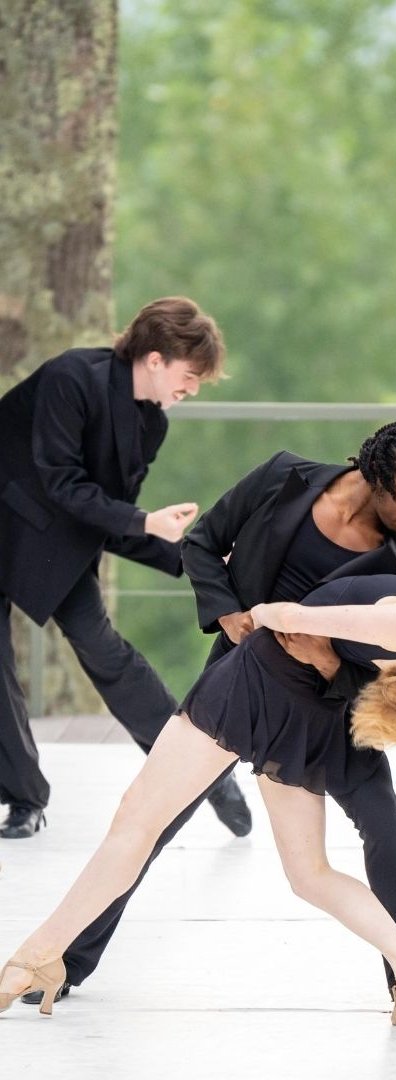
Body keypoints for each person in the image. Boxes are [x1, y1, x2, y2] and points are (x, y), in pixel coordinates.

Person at [21, 416, 396, 1008]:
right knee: (153, 820)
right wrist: (228, 613)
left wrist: (332, 664)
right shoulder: (283, 478)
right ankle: (66, 960)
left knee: (386, 830)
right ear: (377, 474)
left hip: (329, 712)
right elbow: (202, 543)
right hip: (240, 680)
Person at [0, 572, 396, 1023]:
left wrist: (256, 607)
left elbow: (291, 618)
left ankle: (35, 957)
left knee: (136, 822)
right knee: (309, 874)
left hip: (258, 683)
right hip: (305, 711)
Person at [0, 297, 248, 841]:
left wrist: (193, 557)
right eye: (190, 376)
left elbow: (108, 518)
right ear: (155, 359)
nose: (193, 390)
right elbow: (62, 481)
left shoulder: (150, 424)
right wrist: (145, 522)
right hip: (11, 513)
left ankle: (197, 771)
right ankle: (23, 798)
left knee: (102, 647)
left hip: (53, 539)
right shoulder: (72, 376)